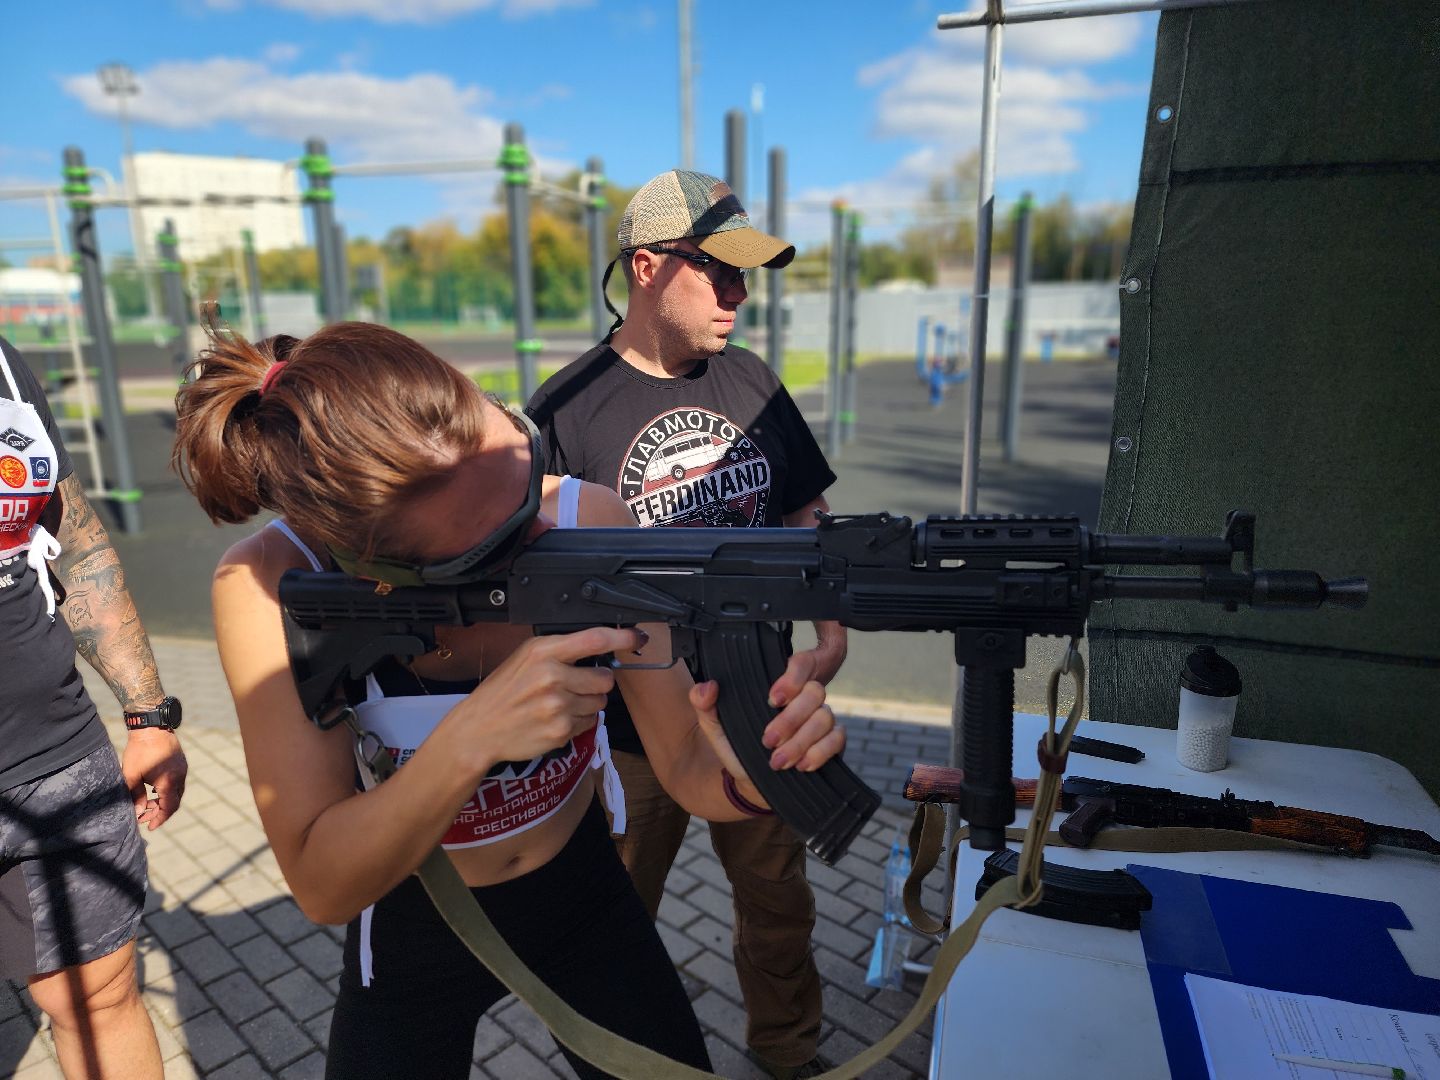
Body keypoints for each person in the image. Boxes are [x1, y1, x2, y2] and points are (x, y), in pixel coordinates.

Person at [170, 320, 848, 1080]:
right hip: (414, 923)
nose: (539, 532)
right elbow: (323, 884)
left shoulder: (592, 517)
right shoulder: (269, 583)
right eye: (491, 550)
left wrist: (756, 772)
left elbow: (688, 766)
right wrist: (472, 737)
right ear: (371, 569)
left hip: (584, 896)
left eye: (525, 476)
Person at [526, 170, 846, 1080]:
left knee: (779, 910)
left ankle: (790, 1057)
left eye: (748, 276)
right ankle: (622, 1063)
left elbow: (803, 510)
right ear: (649, 268)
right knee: (614, 920)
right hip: (630, 735)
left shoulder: (752, 380)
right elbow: (536, 579)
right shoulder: (565, 407)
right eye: (722, 274)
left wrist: (828, 622)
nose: (741, 296)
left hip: (763, 707)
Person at [0, 335, 188, 1079]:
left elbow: (71, 540)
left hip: (59, 754)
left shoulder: (5, 365)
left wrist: (146, 714)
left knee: (101, 1000)